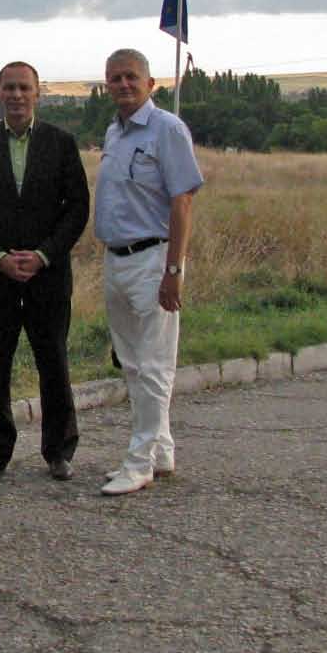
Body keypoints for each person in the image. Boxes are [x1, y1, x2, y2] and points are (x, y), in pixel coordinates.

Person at [0, 61, 90, 483]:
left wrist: (43, 256)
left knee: (54, 365)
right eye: (8, 88)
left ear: (37, 93)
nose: (16, 95)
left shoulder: (61, 143)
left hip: (47, 277)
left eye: (23, 88)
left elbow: (78, 209)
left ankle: (59, 451)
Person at [93, 49, 205, 496]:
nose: (122, 85)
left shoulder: (167, 129)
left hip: (153, 259)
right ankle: (160, 450)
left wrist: (174, 269)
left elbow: (183, 202)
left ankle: (138, 463)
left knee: (154, 364)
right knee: (135, 362)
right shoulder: (114, 133)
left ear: (150, 83)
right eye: (114, 78)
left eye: (131, 77)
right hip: (116, 259)